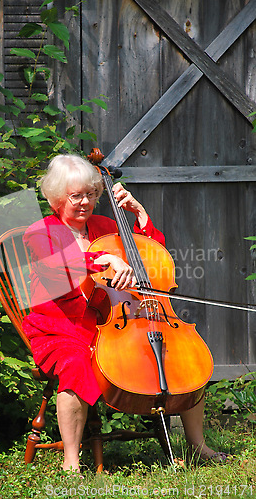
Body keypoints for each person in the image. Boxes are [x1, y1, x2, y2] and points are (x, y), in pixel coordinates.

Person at [22, 153, 228, 471]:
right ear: (57, 197)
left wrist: (140, 215)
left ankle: (197, 445)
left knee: (185, 359)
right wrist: (104, 261)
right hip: (62, 326)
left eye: (91, 194)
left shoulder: (105, 226)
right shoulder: (40, 233)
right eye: (76, 196)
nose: (85, 202)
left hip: (111, 322)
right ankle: (72, 462)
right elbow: (56, 269)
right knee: (76, 365)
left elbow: (152, 260)